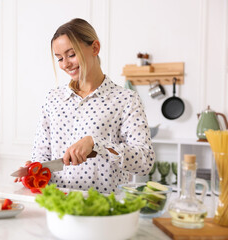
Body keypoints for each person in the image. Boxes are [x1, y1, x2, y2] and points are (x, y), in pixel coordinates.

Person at [15, 18, 155, 193]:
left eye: (71, 55)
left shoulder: (126, 99)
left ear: (95, 48)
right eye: (59, 58)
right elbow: (41, 156)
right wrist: (34, 171)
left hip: (102, 208)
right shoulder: (53, 99)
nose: (65, 64)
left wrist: (96, 144)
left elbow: (144, 162)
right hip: (56, 204)